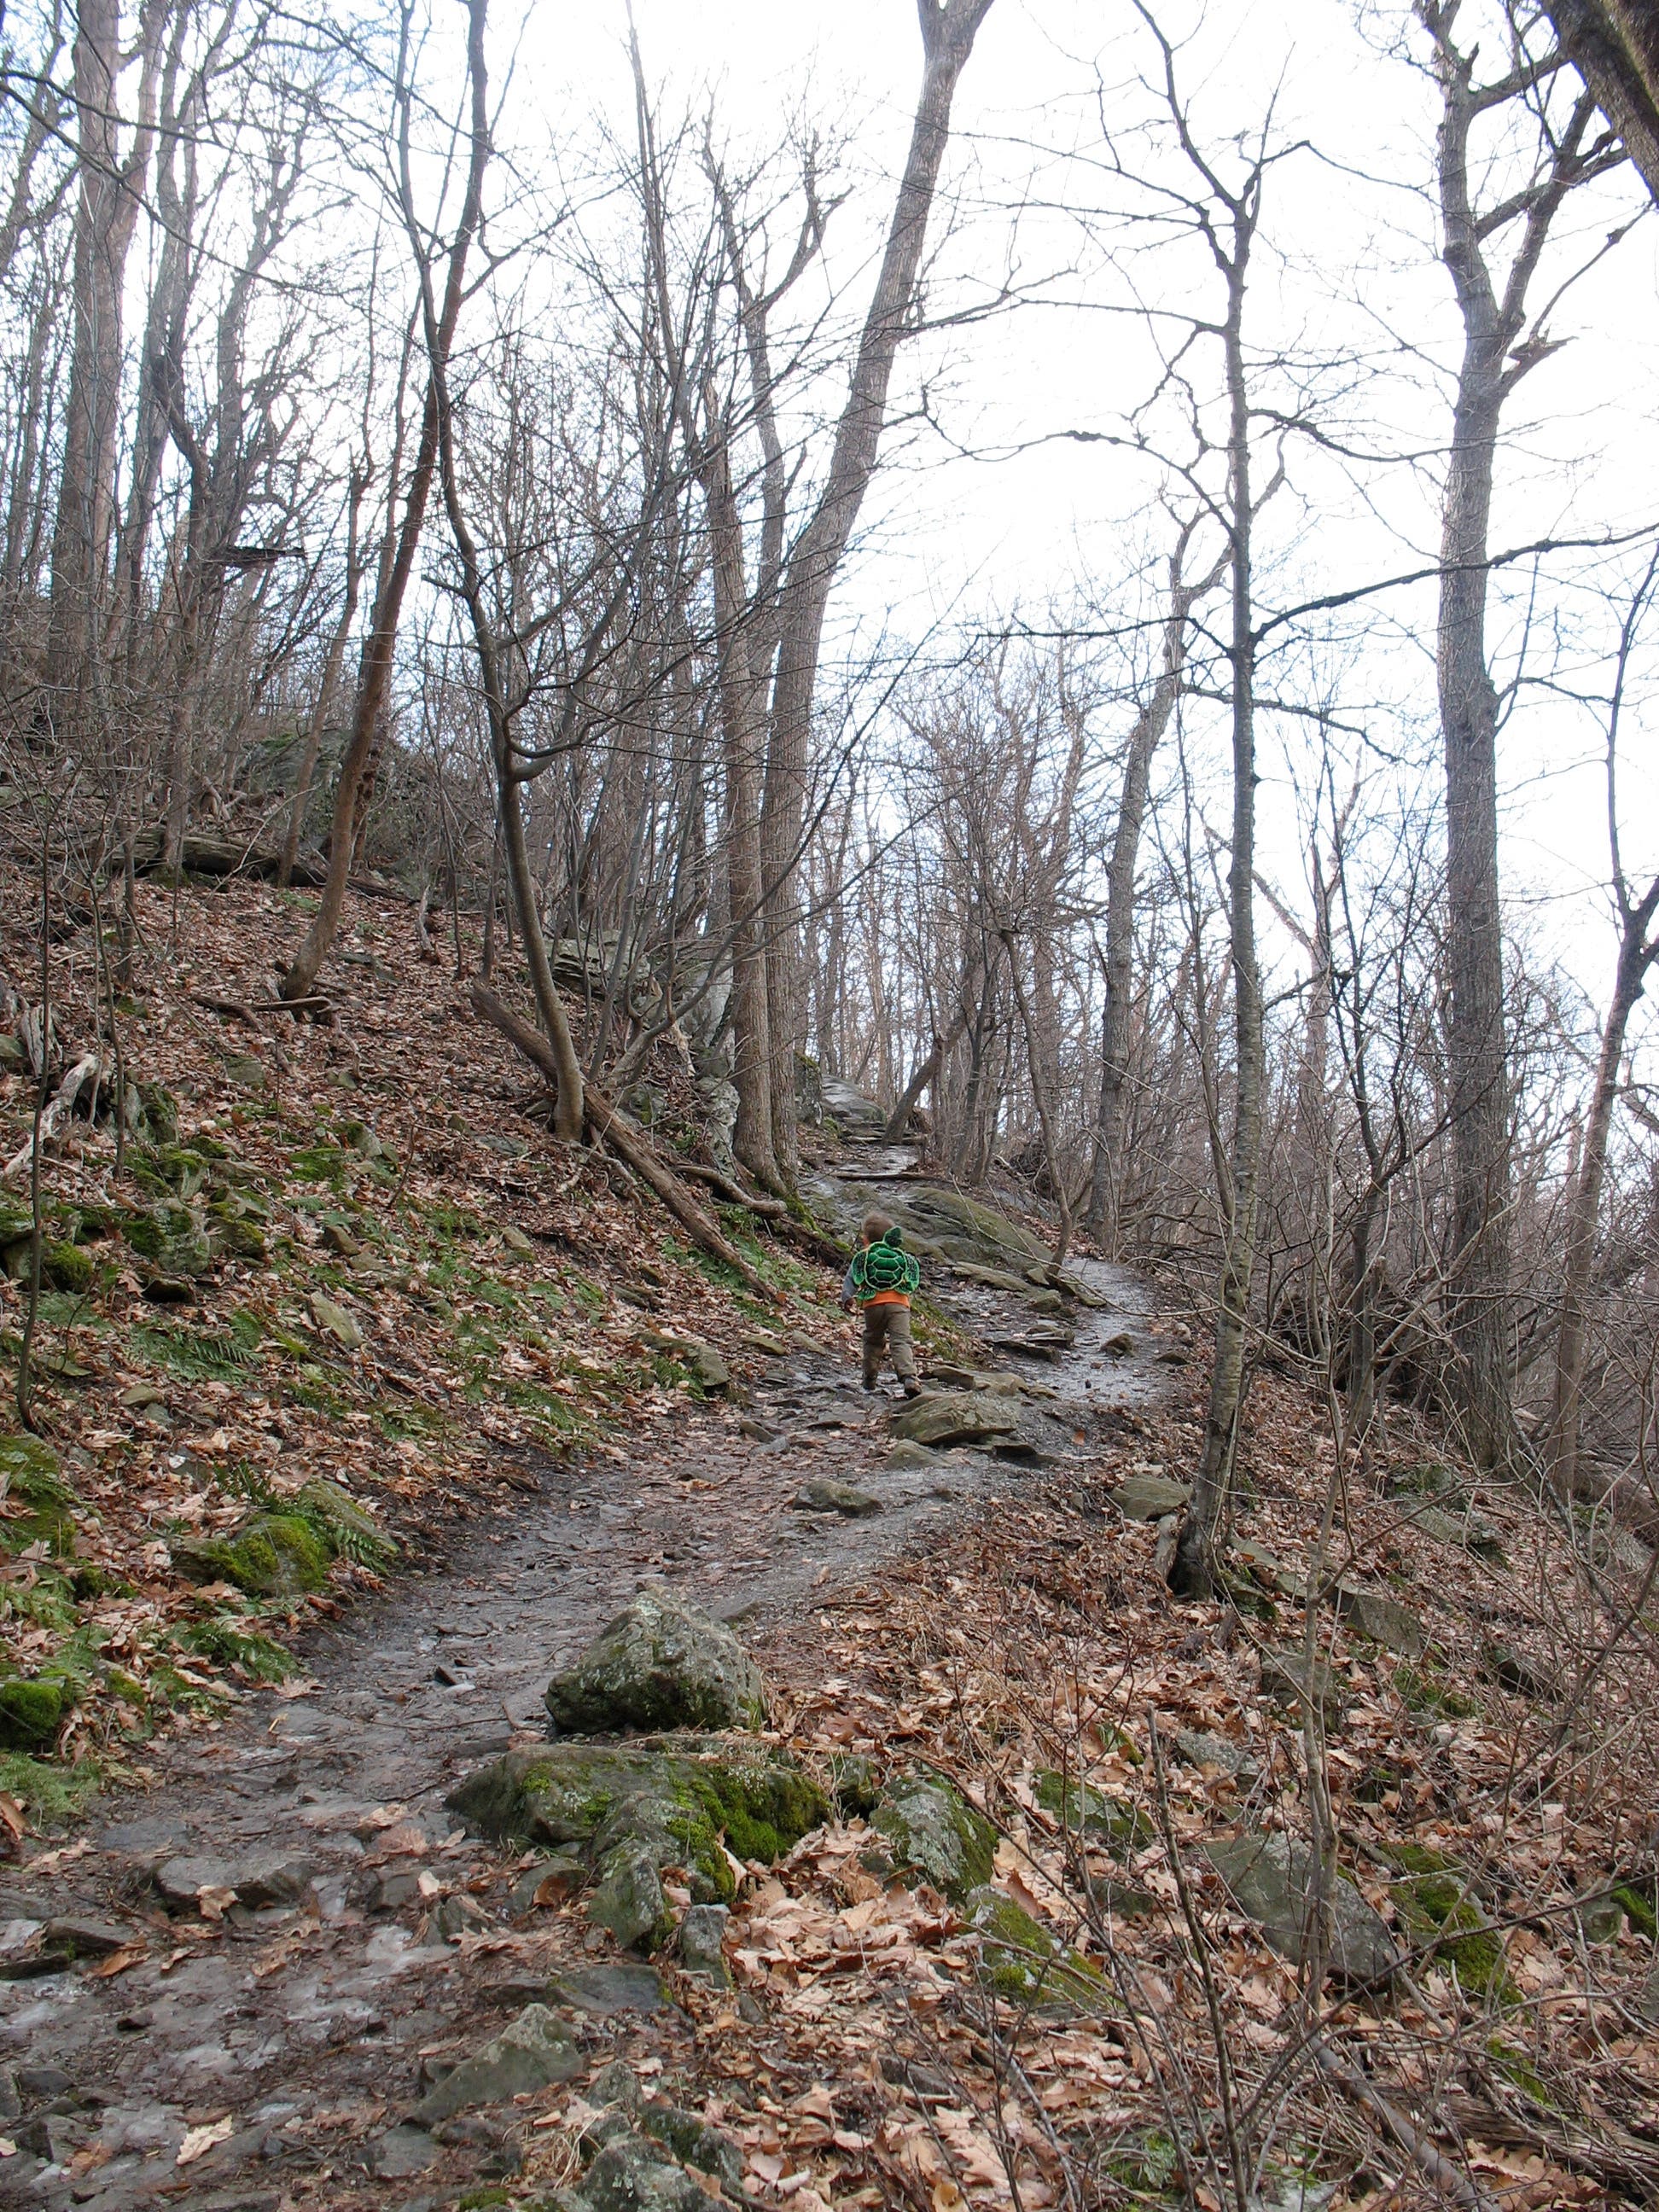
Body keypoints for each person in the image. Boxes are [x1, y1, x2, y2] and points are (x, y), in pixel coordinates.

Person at [841, 1210, 922, 1396]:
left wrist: (847, 1297)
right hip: (899, 1305)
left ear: (866, 1240)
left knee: (872, 1340)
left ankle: (869, 1380)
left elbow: (851, 1278)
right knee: (901, 1341)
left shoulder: (864, 1256)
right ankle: (909, 1376)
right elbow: (911, 1276)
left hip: (873, 1305)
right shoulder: (900, 1254)